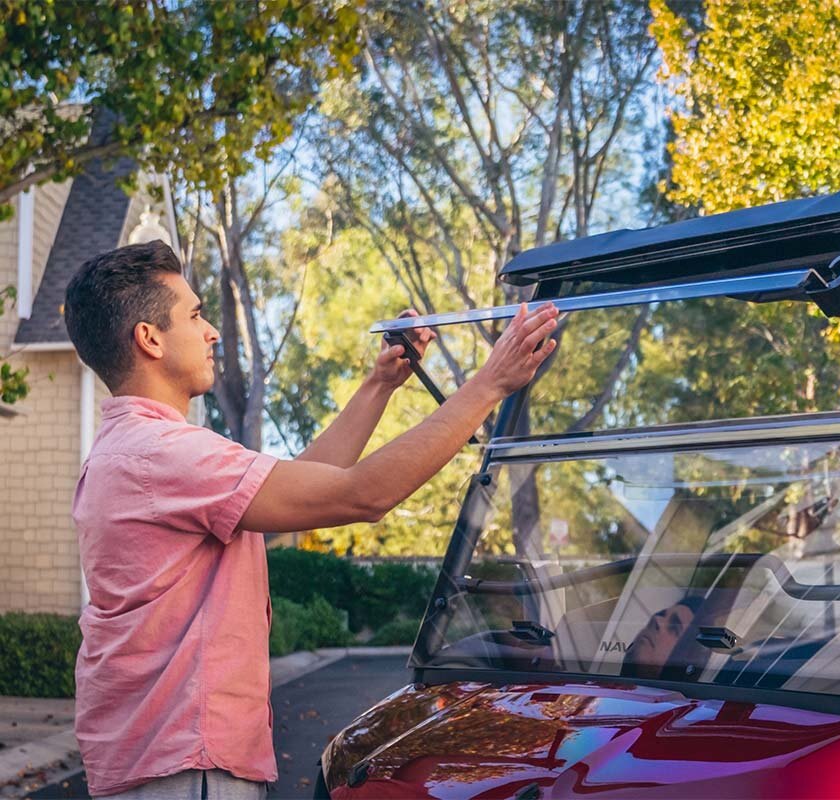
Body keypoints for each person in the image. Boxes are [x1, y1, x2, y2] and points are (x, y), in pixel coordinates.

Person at [62, 240, 558, 799]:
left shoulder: (133, 450)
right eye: (195, 316)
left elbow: (306, 485)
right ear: (149, 339)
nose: (212, 332)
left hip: (163, 761)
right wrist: (490, 384)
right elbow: (362, 496)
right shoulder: (162, 453)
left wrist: (379, 385)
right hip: (182, 768)